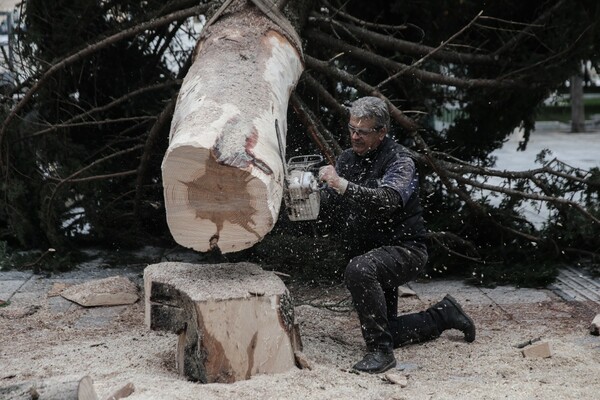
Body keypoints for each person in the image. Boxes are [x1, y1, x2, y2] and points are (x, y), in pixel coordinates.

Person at [317, 96, 476, 374]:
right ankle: (443, 314)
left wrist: (340, 184)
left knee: (358, 269)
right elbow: (331, 204)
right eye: (352, 129)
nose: (355, 136)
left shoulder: (401, 162)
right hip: (373, 251)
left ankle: (381, 354)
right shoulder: (347, 159)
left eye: (363, 132)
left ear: (382, 132)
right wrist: (309, 191)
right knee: (388, 329)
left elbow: (387, 199)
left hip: (406, 250)